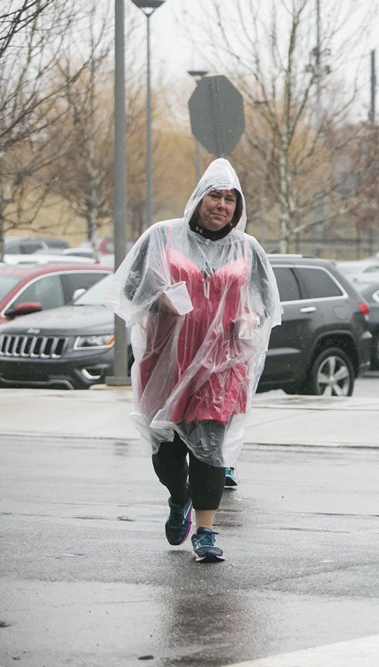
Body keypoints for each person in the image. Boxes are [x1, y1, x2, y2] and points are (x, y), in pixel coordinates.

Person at [105, 158, 280, 562]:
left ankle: (205, 532)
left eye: (230, 199)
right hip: (167, 362)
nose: (222, 205)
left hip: (222, 366)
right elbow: (128, 289)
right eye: (215, 196)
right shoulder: (162, 237)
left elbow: (267, 303)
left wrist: (250, 319)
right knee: (167, 449)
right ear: (199, 198)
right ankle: (178, 496)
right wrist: (158, 299)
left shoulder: (247, 248)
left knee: (211, 450)